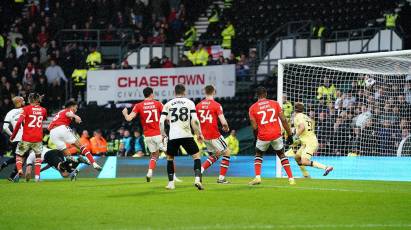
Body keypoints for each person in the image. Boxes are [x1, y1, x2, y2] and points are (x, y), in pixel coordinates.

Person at [160, 84, 204, 190]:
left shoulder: (168, 104)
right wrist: (199, 133)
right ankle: (197, 179)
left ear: (174, 93)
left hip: (173, 136)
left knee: (170, 158)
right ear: (184, 92)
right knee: (196, 156)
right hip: (186, 135)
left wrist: (163, 134)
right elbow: (195, 121)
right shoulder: (190, 103)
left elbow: (161, 121)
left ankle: (171, 183)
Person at [248, 87, 295, 185]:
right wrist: (290, 135)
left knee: (259, 154)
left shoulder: (252, 108)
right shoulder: (275, 103)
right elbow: (284, 120)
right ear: (266, 93)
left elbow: (254, 127)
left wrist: (255, 137)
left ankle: (257, 177)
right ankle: (291, 178)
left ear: (257, 95)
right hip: (276, 134)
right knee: (281, 154)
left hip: (263, 135)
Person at [122, 87, 163, 181]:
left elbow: (128, 118)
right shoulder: (158, 103)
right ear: (151, 94)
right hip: (158, 134)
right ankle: (172, 178)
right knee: (169, 155)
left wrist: (125, 113)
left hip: (148, 136)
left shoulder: (138, 105)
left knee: (154, 155)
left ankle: (150, 172)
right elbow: (167, 116)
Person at [48, 100, 102, 171]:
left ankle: (77, 164)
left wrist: (74, 117)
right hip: (62, 128)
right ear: (72, 106)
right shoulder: (68, 110)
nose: (76, 110)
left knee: (68, 156)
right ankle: (94, 163)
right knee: (81, 147)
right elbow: (68, 114)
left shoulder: (59, 112)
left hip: (52, 133)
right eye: (76, 108)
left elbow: (49, 127)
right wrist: (75, 116)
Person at [196, 85, 231, 183]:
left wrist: (198, 134)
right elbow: (223, 121)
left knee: (217, 153)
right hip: (214, 134)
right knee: (227, 152)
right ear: (214, 92)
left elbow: (195, 121)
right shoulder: (216, 105)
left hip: (204, 135)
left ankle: (201, 170)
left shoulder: (198, 105)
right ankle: (221, 178)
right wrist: (226, 127)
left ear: (204, 92)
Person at [10, 93, 47, 182]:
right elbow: (43, 117)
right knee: (38, 157)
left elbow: (18, 123)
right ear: (38, 100)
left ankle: (19, 170)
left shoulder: (25, 109)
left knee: (19, 155)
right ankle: (37, 177)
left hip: (26, 138)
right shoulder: (43, 110)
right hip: (38, 138)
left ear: (30, 100)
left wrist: (13, 136)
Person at [290, 103, 334, 178]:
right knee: (297, 157)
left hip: (310, 143)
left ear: (294, 110)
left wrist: (294, 137)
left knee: (304, 161)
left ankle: (326, 167)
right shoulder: (306, 117)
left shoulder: (297, 117)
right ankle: (306, 175)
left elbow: (302, 127)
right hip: (307, 142)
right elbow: (306, 131)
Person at [25, 147, 89, 182]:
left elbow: (28, 171)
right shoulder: (40, 147)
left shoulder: (30, 156)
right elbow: (50, 164)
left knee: (61, 166)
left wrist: (27, 179)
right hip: (55, 152)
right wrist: (40, 170)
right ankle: (74, 167)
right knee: (64, 174)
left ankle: (77, 160)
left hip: (49, 155)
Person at [0, 96, 24, 180]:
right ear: (20, 102)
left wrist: (12, 135)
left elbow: (5, 127)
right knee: (22, 158)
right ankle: (12, 175)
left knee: (17, 158)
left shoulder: (10, 113)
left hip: (15, 139)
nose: (24, 101)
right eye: (23, 100)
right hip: (24, 138)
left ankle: (5, 165)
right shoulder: (26, 110)